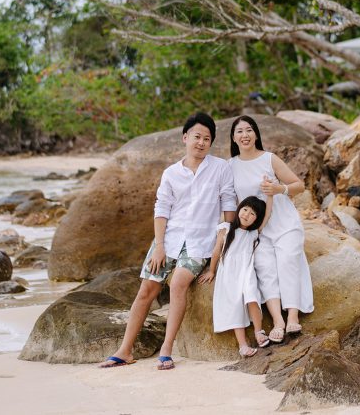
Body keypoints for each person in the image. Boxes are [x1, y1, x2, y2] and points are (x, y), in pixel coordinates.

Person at [98, 112, 236, 371]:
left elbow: (228, 202)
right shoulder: (171, 173)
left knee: (179, 283)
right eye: (197, 136)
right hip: (169, 240)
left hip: (200, 242)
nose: (201, 142)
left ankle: (166, 348)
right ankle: (125, 350)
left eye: (207, 138)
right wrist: (159, 246)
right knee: (146, 291)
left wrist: (225, 237)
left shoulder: (220, 168)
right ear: (185, 138)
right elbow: (161, 209)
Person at [228, 115, 314, 342]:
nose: (244, 135)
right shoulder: (231, 165)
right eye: (239, 131)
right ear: (233, 138)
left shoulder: (269, 158)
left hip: (283, 221)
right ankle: (278, 320)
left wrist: (278, 189)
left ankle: (293, 315)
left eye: (249, 130)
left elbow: (299, 185)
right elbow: (232, 201)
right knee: (264, 267)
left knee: (287, 260)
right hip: (257, 228)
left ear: (256, 133)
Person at [201, 195, 274, 357]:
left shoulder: (253, 233)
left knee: (252, 297)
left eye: (252, 214)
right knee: (234, 305)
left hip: (246, 271)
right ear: (239, 208)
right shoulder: (226, 228)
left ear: (256, 219)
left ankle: (259, 331)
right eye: (245, 209)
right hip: (229, 273)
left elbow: (267, 214)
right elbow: (216, 251)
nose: (247, 215)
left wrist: (270, 195)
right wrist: (212, 271)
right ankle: (243, 346)